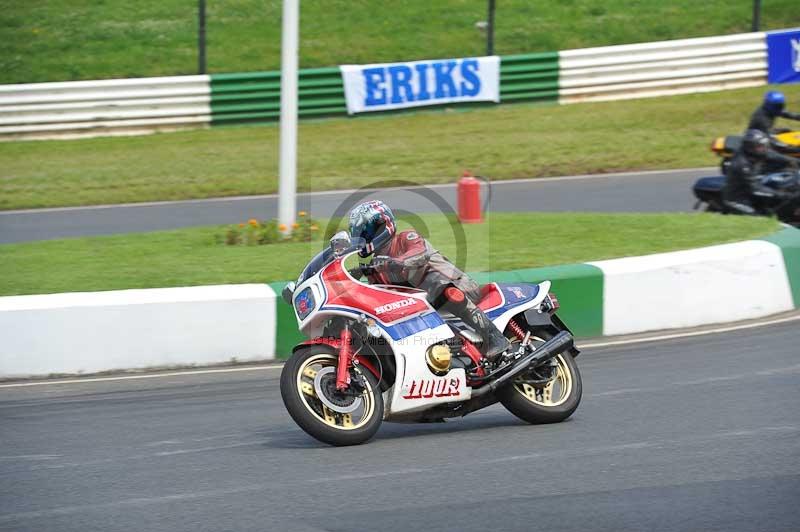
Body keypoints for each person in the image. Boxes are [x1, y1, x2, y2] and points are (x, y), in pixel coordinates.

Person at [347, 200, 510, 362]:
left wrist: (397, 262)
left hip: (459, 288)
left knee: (434, 282)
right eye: (360, 234)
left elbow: (419, 254)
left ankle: (493, 336)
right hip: (427, 306)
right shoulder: (376, 267)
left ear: (383, 225)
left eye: (366, 232)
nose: (363, 238)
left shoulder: (406, 238)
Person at [723, 129, 798, 215]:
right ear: (750, 147)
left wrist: (795, 160)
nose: (764, 148)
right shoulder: (742, 164)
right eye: (760, 146)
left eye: (764, 145)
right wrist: (783, 195)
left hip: (752, 189)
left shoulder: (757, 152)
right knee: (759, 220)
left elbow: (774, 155)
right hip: (738, 197)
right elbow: (754, 189)